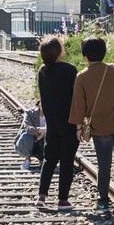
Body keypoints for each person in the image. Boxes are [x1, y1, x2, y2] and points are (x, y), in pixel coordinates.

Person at [68, 35, 114, 212]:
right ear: (104, 52)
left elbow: (78, 105)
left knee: (104, 164)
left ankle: (103, 200)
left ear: (85, 57)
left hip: (101, 129)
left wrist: (78, 128)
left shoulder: (81, 77)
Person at [35, 36, 80, 212]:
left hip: (52, 122)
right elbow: (75, 97)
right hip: (69, 122)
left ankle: (41, 195)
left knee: (50, 158)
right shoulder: (70, 70)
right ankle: (62, 200)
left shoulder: (42, 71)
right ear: (59, 51)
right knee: (67, 161)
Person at [15, 102, 46, 171]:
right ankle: (27, 159)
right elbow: (28, 128)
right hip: (30, 141)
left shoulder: (53, 114)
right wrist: (42, 130)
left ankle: (44, 159)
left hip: (43, 142)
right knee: (26, 135)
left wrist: (43, 133)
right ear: (39, 103)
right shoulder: (30, 113)